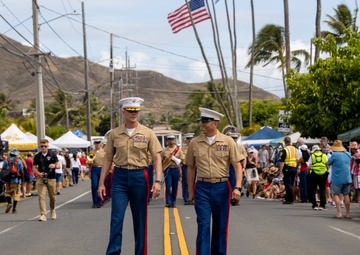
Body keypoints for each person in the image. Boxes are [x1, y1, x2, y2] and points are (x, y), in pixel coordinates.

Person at [98, 97, 163, 255]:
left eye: (136, 111)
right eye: (130, 111)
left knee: (140, 220)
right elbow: (107, 158)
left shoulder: (148, 133)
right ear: (123, 112)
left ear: (139, 112)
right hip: (119, 177)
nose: (134, 114)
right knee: (116, 219)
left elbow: (157, 158)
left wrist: (158, 181)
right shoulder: (114, 134)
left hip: (140, 176)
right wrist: (101, 183)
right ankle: (113, 252)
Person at [185, 107, 244, 255]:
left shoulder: (228, 141)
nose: (202, 125)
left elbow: (237, 166)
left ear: (215, 123)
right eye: (201, 121)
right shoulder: (195, 143)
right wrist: (190, 191)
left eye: (206, 121)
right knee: (203, 225)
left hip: (222, 188)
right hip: (202, 188)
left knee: (220, 226)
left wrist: (237, 187)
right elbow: (190, 168)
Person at [33, 139, 60, 221]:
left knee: (52, 197)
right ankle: (43, 214)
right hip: (41, 178)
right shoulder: (37, 156)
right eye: (42, 146)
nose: (43, 148)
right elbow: (33, 167)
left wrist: (54, 166)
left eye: (45, 146)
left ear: (48, 146)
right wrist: (38, 173)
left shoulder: (52, 154)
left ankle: (53, 209)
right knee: (41, 196)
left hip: (51, 177)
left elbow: (58, 165)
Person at [327, 140, 352, 219]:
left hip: (337, 178)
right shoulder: (348, 154)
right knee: (346, 194)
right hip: (347, 177)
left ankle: (339, 213)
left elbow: (328, 164)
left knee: (336, 194)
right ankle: (348, 213)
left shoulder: (334, 155)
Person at [161, 134, 184, 208]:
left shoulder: (178, 150)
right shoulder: (164, 151)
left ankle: (173, 201)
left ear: (174, 140)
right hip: (168, 169)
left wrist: (175, 159)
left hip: (175, 169)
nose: (171, 141)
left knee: (175, 186)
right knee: (168, 186)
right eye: (169, 139)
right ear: (167, 141)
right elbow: (161, 161)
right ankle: (168, 201)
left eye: (172, 139)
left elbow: (182, 161)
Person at [307, 145, 328, 210]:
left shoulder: (312, 156)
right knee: (322, 189)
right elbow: (327, 165)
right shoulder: (324, 155)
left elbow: (309, 167)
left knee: (313, 189)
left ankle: (314, 204)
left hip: (314, 174)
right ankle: (322, 205)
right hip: (323, 173)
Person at [3, 148, 24, 213]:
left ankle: (9, 203)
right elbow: (21, 171)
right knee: (16, 194)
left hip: (8, 180)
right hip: (16, 180)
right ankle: (14, 209)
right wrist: (23, 180)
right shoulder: (19, 161)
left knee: (7, 193)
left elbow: (3, 170)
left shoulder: (6, 160)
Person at [279, 136, 298, 204]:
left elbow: (282, 161)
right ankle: (288, 198)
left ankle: (290, 199)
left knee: (287, 184)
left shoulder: (285, 150)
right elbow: (297, 158)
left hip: (287, 168)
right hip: (294, 167)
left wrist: (280, 170)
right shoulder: (295, 149)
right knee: (291, 183)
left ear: (285, 142)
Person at [88, 140, 106, 208]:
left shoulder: (104, 152)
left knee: (101, 185)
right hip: (95, 169)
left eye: (98, 143)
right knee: (94, 185)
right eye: (96, 143)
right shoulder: (92, 152)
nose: (97, 144)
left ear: (101, 144)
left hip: (102, 169)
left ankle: (100, 201)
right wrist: (89, 170)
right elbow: (89, 162)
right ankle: (95, 202)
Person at [181, 133, 194, 205]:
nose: (189, 140)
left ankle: (193, 197)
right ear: (186, 140)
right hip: (186, 166)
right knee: (186, 182)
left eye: (191, 139)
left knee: (194, 182)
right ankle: (186, 198)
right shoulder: (183, 149)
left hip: (194, 166)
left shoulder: (195, 147)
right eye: (188, 139)